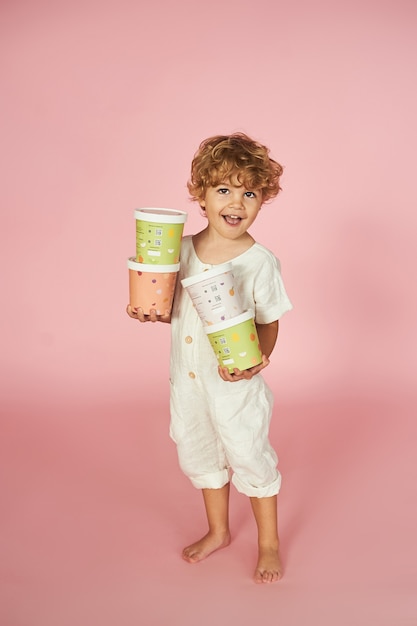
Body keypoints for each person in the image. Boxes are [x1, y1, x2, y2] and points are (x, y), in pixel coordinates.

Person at [126, 133, 292, 583]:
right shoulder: (179, 252)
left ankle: (269, 542)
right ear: (200, 194)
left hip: (235, 385)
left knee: (249, 454)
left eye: (249, 193)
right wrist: (148, 311)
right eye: (223, 189)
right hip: (188, 381)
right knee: (198, 451)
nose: (236, 202)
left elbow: (270, 321)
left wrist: (259, 361)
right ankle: (218, 530)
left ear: (262, 200)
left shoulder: (260, 262)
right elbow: (177, 313)